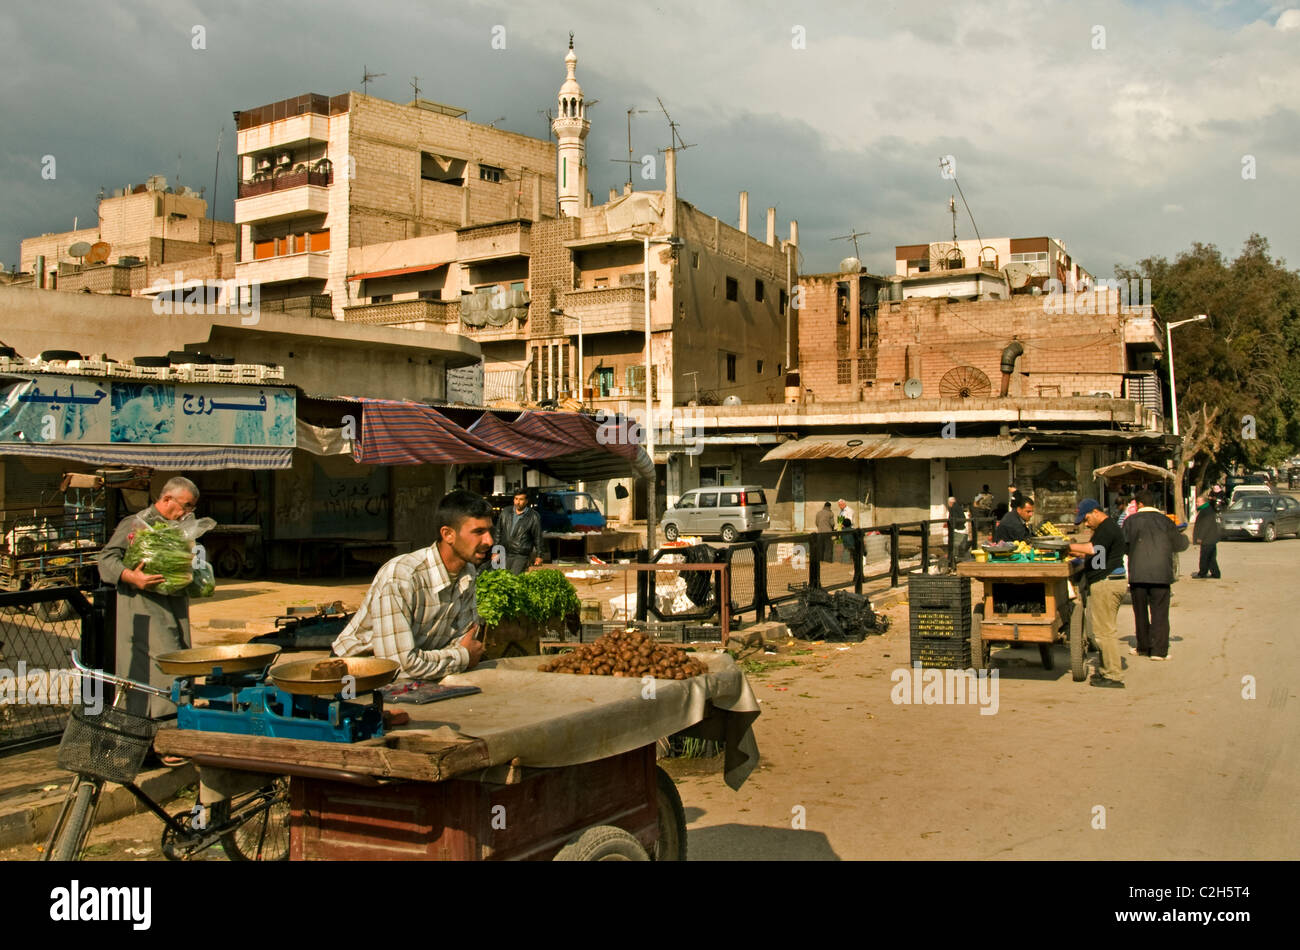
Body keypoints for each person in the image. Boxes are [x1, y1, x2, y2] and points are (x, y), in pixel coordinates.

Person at [332, 489, 492, 680]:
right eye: (478, 532)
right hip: (353, 674)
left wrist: (450, 655)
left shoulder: (468, 573)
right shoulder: (401, 577)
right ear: (448, 534)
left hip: (417, 673)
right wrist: (463, 657)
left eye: (490, 530)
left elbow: (464, 639)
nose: (489, 541)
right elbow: (397, 666)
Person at [97, 476, 201, 720]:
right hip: (142, 610)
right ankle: (160, 731)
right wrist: (131, 577)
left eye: (192, 508)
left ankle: (168, 731)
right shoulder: (136, 524)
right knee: (162, 666)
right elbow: (106, 559)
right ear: (166, 499)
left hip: (173, 607)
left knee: (179, 659)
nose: (188, 512)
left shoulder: (180, 529)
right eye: (186, 506)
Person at [1122, 490, 1190, 661]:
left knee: (1140, 612)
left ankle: (1143, 647)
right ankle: (1159, 651)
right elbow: (1179, 544)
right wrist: (1186, 539)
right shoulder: (1166, 521)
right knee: (1160, 612)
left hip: (1138, 574)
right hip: (1161, 575)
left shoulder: (1131, 521)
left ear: (1139, 504)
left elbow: (1124, 545)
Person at [1067, 498, 1128, 689]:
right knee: (1103, 630)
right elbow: (1097, 556)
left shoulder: (1107, 529)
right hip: (1106, 581)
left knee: (1104, 632)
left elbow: (1093, 549)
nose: (1086, 524)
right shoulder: (1103, 529)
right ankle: (1105, 671)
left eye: (1086, 519)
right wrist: (1078, 553)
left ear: (1095, 512)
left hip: (1107, 583)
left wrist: (1066, 546)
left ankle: (1113, 675)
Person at [494, 490, 544, 574]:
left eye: (521, 499)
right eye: (516, 499)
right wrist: (495, 551)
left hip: (521, 555)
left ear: (526, 501)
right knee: (501, 578)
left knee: (514, 578)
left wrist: (539, 556)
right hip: (505, 552)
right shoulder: (505, 512)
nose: (518, 502)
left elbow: (538, 537)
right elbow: (498, 532)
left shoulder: (533, 516)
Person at [1191, 497, 1222, 579]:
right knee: (1211, 557)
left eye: (1198, 502)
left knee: (1204, 557)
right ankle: (1216, 573)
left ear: (1203, 502)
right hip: (1210, 538)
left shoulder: (1207, 511)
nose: (1197, 503)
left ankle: (1202, 573)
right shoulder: (1206, 509)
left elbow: (1205, 525)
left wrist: (1200, 537)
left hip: (1207, 538)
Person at [945, 496, 969, 560]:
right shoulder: (958, 507)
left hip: (958, 530)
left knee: (955, 545)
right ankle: (959, 558)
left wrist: (953, 526)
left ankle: (954, 559)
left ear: (950, 503)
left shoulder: (953, 508)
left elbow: (954, 519)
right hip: (962, 530)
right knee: (961, 546)